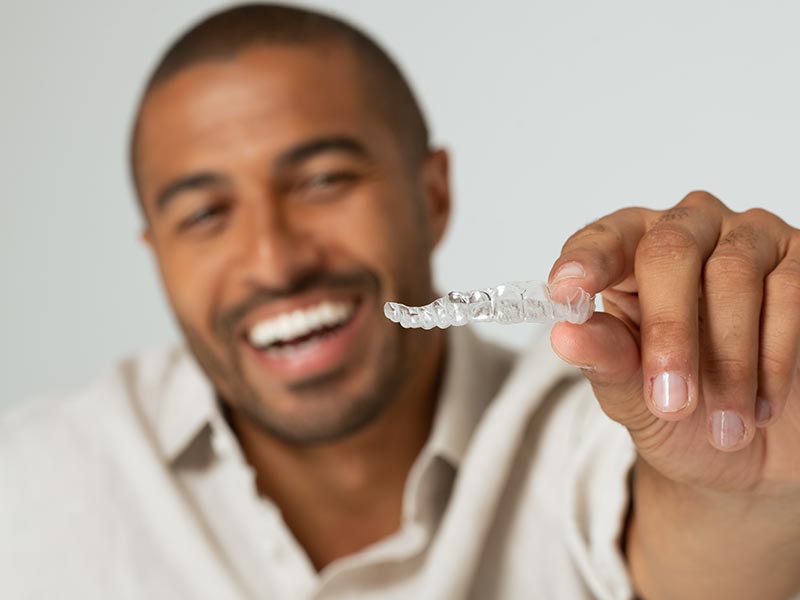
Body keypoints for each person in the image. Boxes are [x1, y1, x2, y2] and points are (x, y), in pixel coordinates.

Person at [2, 4, 799, 599]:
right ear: (156, 252)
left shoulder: (596, 433)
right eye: (205, 215)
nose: (274, 262)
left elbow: (684, 560)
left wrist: (743, 498)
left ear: (434, 193)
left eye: (323, 182)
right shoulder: (33, 487)